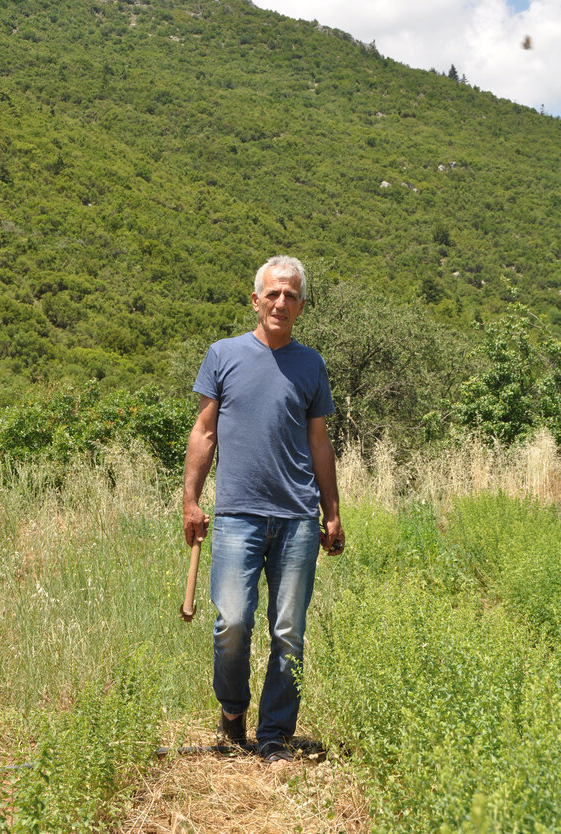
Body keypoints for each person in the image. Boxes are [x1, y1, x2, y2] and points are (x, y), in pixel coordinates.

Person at [182, 255, 345, 767]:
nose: (280, 302)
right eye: (272, 293)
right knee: (232, 623)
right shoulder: (223, 355)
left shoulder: (311, 364)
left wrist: (332, 513)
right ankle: (233, 712)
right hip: (237, 516)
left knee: (288, 631)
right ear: (256, 300)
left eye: (290, 295)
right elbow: (204, 433)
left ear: (301, 305)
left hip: (297, 518)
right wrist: (191, 501)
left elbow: (319, 443)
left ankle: (275, 735)